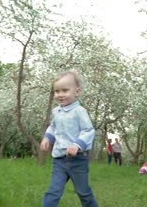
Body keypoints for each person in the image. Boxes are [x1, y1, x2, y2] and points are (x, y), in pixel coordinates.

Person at [40, 71, 98, 207]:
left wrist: (77, 144)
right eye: (57, 91)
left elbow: (88, 130)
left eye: (65, 90)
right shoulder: (56, 111)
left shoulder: (79, 111)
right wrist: (47, 138)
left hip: (78, 160)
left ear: (77, 92)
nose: (60, 95)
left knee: (83, 192)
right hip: (59, 160)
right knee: (53, 191)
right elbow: (53, 127)